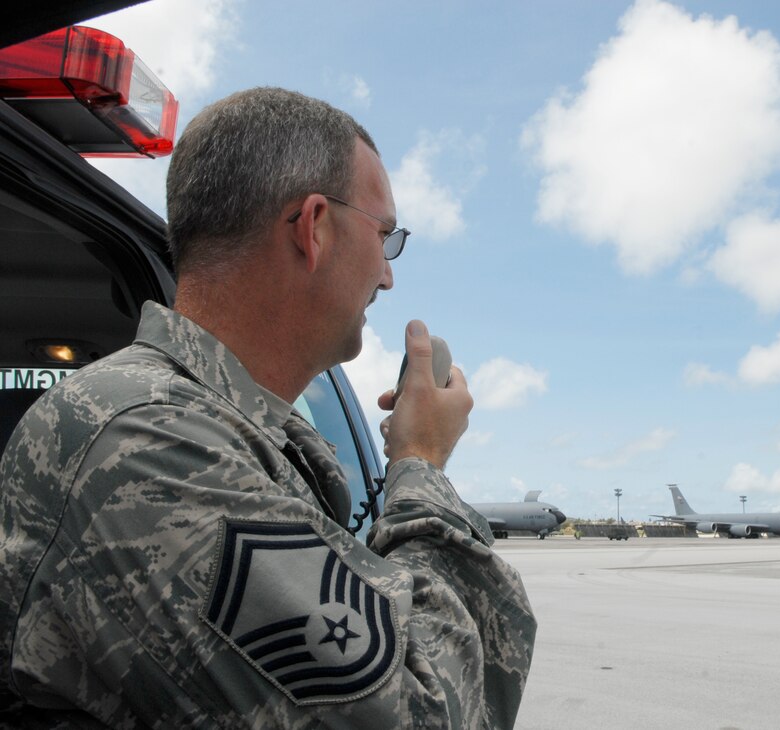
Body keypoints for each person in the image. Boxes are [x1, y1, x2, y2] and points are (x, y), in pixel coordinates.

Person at [0, 87, 535, 728]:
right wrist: (420, 467)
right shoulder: (145, 439)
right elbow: (421, 715)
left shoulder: (218, 430)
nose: (389, 276)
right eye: (384, 237)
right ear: (314, 227)